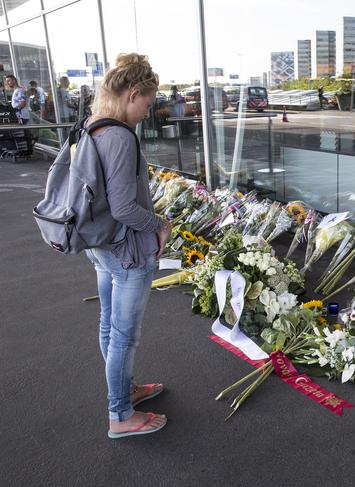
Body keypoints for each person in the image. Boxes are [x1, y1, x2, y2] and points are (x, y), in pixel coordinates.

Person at [84, 53, 171, 438]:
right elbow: (123, 207)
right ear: (133, 94)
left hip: (101, 244)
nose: (147, 112)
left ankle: (124, 394)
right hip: (126, 251)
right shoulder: (120, 137)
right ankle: (119, 415)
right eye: (147, 104)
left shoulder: (94, 127)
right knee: (124, 335)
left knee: (109, 325)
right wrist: (160, 225)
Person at [6, 74, 33, 153]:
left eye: (9, 81)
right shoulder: (17, 90)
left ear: (14, 80)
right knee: (24, 134)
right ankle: (27, 150)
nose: (8, 83)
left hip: (22, 116)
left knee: (24, 134)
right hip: (20, 115)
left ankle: (28, 151)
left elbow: (23, 103)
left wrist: (14, 109)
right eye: (7, 81)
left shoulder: (20, 90)